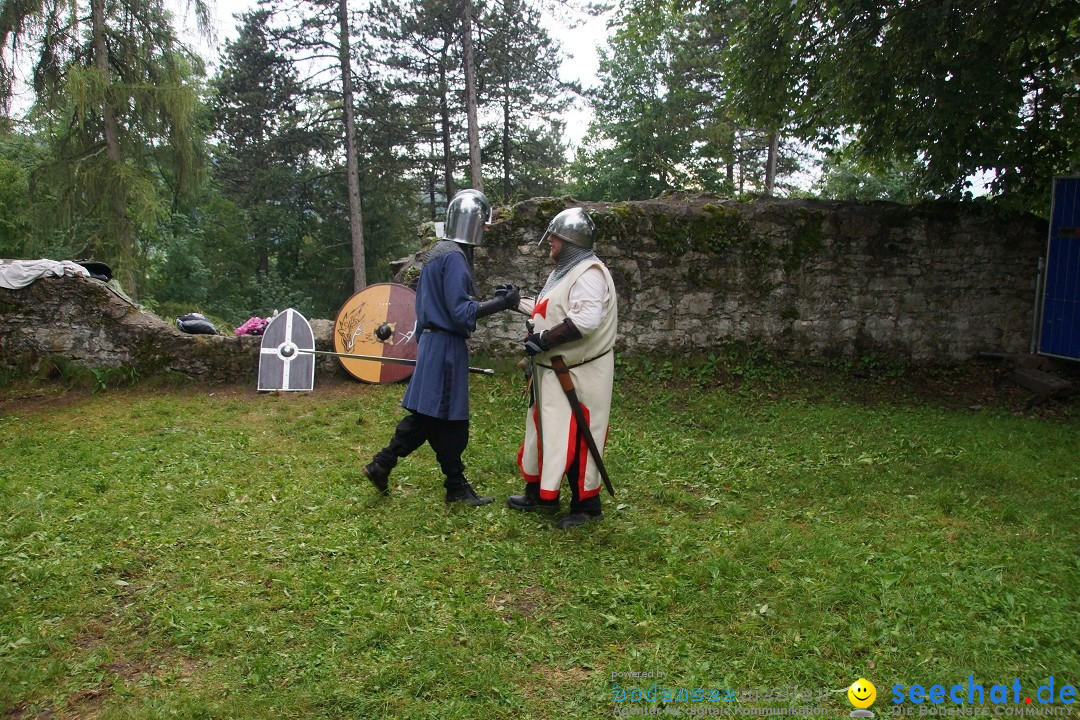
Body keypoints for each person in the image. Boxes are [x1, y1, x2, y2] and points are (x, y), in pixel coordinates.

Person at [362, 189, 519, 506]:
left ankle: (385, 464)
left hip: (433, 343)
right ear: (472, 223)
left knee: (428, 416)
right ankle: (454, 487)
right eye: (483, 224)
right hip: (445, 347)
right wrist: (502, 303)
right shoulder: (454, 258)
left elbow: (434, 307)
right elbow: (461, 313)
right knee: (452, 421)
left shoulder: (436, 254)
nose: (486, 230)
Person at [507, 207, 618, 528]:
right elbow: (549, 307)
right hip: (553, 372)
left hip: (580, 374)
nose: (550, 243)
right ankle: (541, 494)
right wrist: (514, 301)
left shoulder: (589, 274)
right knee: (544, 432)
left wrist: (543, 339)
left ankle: (587, 506)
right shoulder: (566, 272)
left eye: (554, 237)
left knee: (581, 436)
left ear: (570, 239)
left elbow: (585, 320)